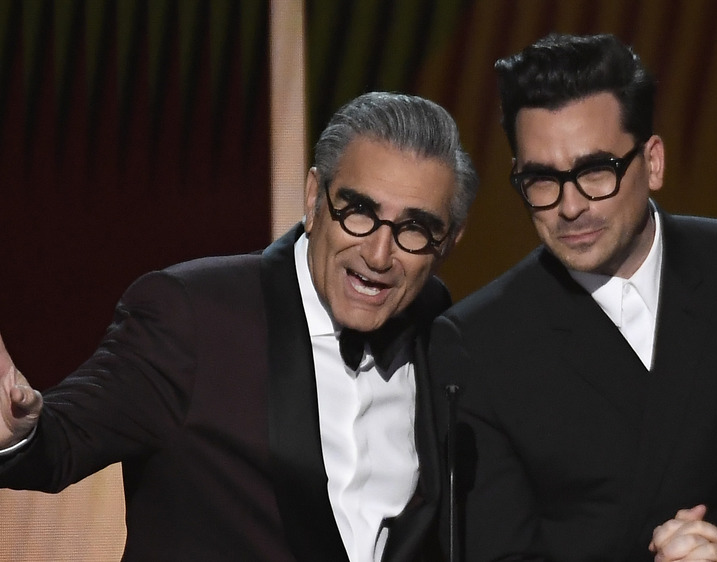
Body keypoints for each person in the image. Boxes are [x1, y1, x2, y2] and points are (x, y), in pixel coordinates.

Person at [429, 34, 717, 562]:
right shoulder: (479, 343)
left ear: (653, 162)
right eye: (542, 179)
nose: (569, 207)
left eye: (596, 172)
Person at [0, 91, 478, 562]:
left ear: (448, 240)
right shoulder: (194, 315)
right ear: (314, 197)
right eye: (359, 213)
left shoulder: (440, 330)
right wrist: (18, 434)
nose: (378, 255)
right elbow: (63, 438)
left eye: (413, 229)